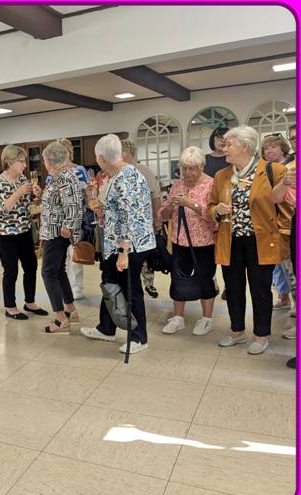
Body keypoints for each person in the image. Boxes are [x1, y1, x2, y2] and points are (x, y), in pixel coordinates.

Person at [207, 125, 286, 355]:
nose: (224, 148)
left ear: (245, 146)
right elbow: (211, 206)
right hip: (230, 241)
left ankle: (261, 335)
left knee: (260, 290)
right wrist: (216, 211)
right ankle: (237, 330)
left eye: (229, 144)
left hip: (260, 241)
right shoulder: (222, 175)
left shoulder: (273, 171)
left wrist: (280, 234)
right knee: (233, 288)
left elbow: (286, 207)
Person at [80, 134, 156, 354]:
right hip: (116, 243)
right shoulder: (119, 175)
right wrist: (102, 210)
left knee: (130, 290)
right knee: (110, 283)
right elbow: (119, 210)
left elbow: (129, 216)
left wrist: (124, 251)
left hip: (129, 246)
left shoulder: (126, 177)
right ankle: (106, 328)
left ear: (102, 158)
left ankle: (139, 337)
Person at [159, 147, 217, 336]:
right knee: (178, 279)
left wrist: (192, 204)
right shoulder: (177, 185)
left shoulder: (211, 185)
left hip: (204, 242)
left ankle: (206, 319)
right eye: (184, 168)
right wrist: (170, 207)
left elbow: (214, 217)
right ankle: (178, 318)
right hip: (179, 241)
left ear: (202, 166)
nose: (188, 173)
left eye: (192, 168)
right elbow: (163, 214)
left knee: (205, 278)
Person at [0, 145, 47, 320]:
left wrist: (37, 194)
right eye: (21, 161)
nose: (24, 165)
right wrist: (19, 192)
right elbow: (1, 209)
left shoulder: (22, 179)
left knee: (31, 266)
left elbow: (28, 201)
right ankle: (10, 307)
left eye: (25, 161)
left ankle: (30, 302)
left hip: (24, 230)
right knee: (11, 270)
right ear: (9, 162)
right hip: (5, 234)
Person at [39, 141, 83, 333]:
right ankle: (71, 310)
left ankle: (60, 317)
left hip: (57, 232)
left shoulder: (63, 177)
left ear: (49, 161)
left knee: (48, 273)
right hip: (55, 230)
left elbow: (73, 204)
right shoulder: (62, 176)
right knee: (58, 271)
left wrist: (68, 225)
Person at [121, 139, 163, 298]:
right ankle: (134, 289)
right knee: (131, 261)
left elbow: (156, 196)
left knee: (145, 256)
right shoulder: (116, 172)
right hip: (125, 228)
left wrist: (157, 219)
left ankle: (148, 284)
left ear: (127, 153)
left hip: (143, 225)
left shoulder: (144, 171)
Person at [272, 124, 297, 367]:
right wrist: (285, 183)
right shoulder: (290, 167)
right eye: (292, 138)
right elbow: (276, 197)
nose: (295, 141)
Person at [262, 133, 295, 312]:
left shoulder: (290, 167)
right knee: (276, 264)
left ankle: (295, 301)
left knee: (289, 264)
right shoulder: (263, 169)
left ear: (282, 148)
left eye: (273, 147)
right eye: (266, 148)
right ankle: (283, 297)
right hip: (269, 223)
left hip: (287, 222)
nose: (269, 151)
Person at [57, 137, 88, 300]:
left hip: (77, 218)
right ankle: (65, 286)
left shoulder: (79, 170)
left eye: (65, 151)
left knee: (75, 254)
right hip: (59, 219)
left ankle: (77, 288)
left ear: (70, 152)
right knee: (61, 256)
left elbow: (87, 193)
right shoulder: (53, 172)